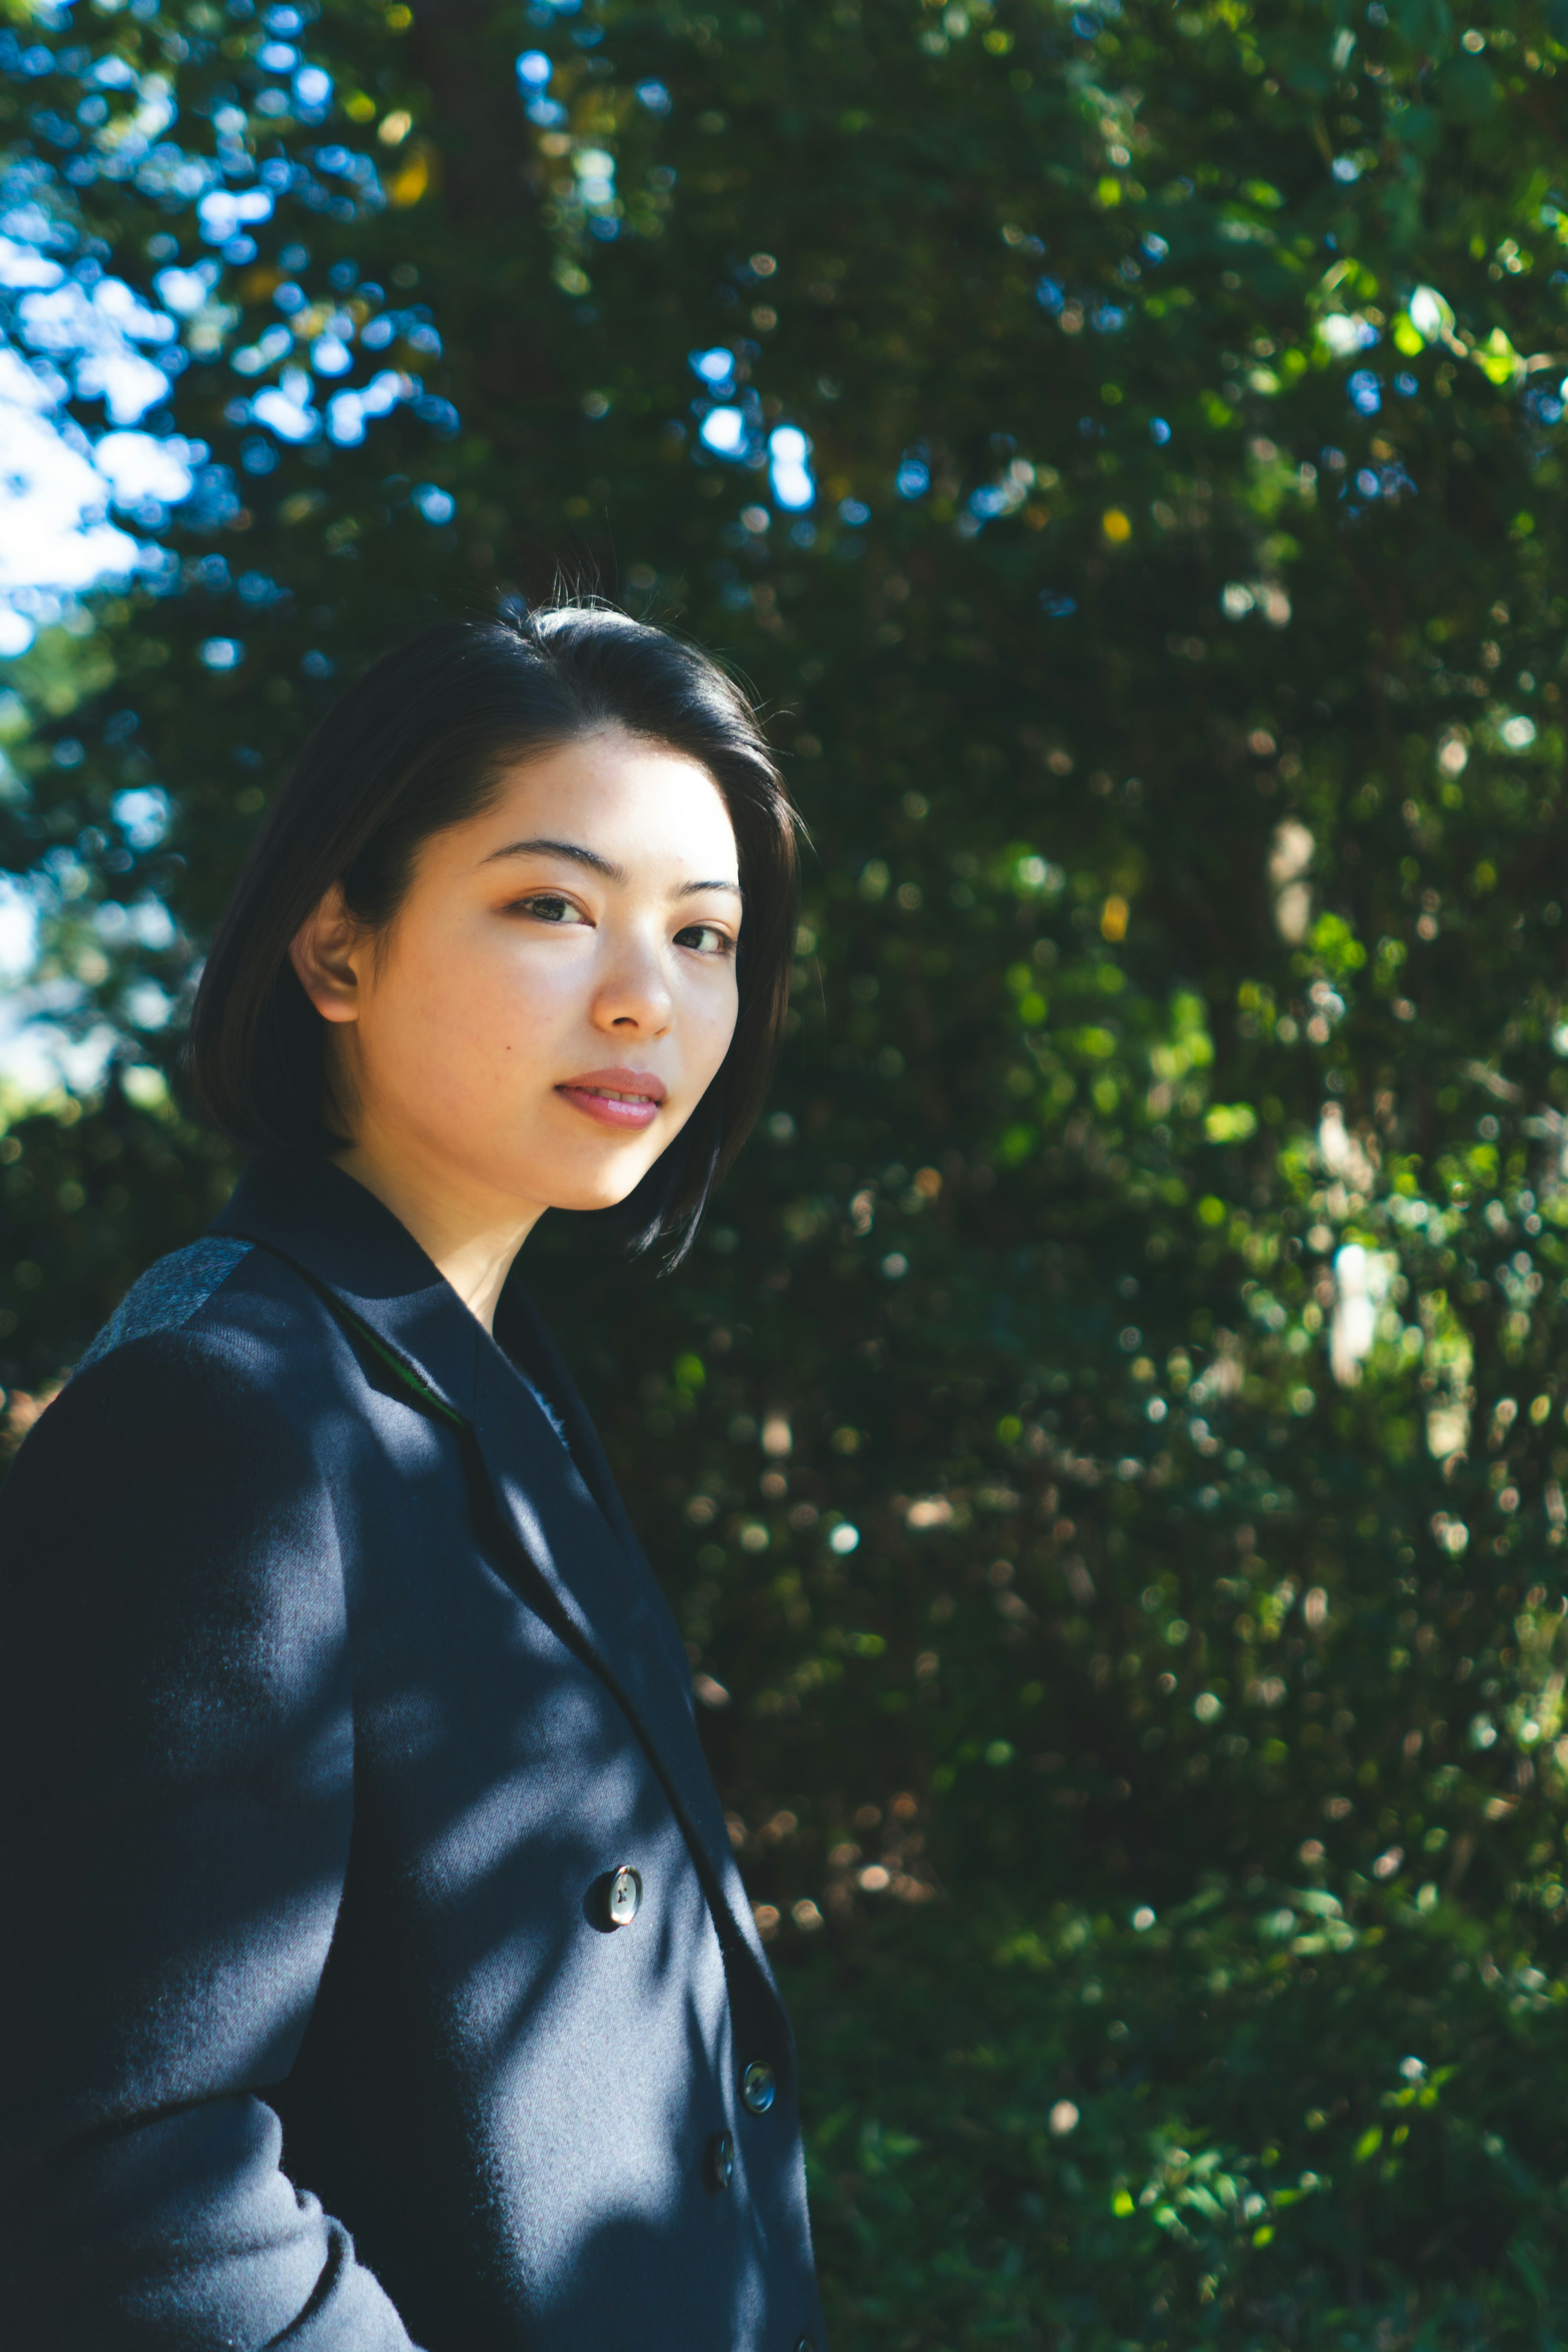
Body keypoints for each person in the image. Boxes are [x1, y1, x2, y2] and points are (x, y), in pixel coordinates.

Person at [0, 605, 825, 2352]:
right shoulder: (219, 1422)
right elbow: (120, 2178)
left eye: (703, 933)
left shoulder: (498, 1381)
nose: (644, 994)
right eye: (552, 905)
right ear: (336, 946)